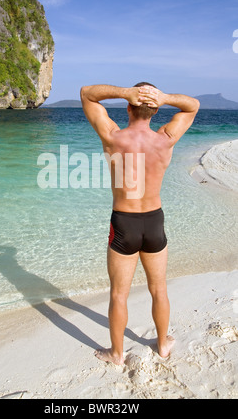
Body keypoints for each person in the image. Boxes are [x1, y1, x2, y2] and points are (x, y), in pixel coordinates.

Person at [80, 82, 200, 365]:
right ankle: (163, 345)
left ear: (128, 107)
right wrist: (165, 97)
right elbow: (193, 105)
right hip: (154, 221)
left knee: (118, 293)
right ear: (156, 110)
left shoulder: (113, 137)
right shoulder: (166, 139)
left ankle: (117, 353)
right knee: (159, 289)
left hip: (124, 222)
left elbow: (87, 93)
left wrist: (125, 91)